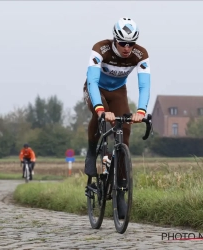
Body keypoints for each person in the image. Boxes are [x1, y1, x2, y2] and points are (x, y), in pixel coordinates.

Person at [84, 17, 151, 218]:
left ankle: (120, 190)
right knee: (102, 116)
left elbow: (144, 85)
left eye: (131, 44)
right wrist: (99, 108)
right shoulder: (100, 49)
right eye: (122, 43)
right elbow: (93, 81)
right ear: (115, 40)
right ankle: (91, 152)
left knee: (125, 129)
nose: (127, 48)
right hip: (96, 89)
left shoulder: (141, 54)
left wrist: (141, 111)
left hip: (118, 91)